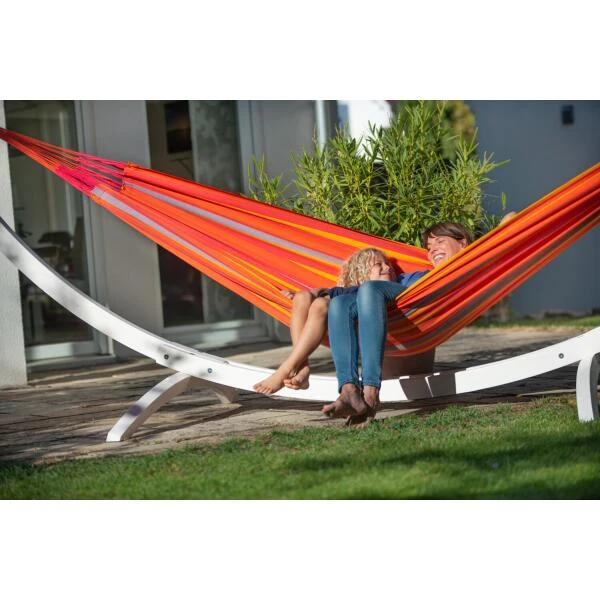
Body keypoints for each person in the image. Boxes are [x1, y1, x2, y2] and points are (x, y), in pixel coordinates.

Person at [322, 221, 475, 425]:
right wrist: (328, 293)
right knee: (339, 303)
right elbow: (393, 282)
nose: (432, 250)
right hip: (402, 305)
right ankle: (349, 390)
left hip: (421, 309)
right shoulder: (423, 276)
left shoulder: (475, 263)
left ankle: (370, 393)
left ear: (463, 243)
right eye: (429, 247)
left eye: (440, 241)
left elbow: (507, 225)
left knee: (370, 288)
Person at [253, 247, 397, 395]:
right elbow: (322, 292)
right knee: (302, 297)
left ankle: (287, 368)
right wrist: (296, 295)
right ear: (361, 274)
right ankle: (302, 366)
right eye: (379, 264)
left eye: (388, 264)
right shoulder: (349, 290)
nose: (387, 267)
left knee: (320, 304)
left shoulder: (395, 286)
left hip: (361, 312)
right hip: (338, 309)